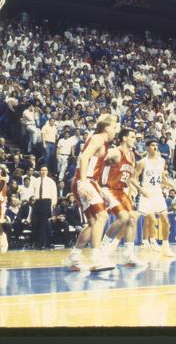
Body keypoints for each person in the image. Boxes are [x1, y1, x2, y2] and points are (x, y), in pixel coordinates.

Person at [65, 114, 117, 272]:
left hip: (89, 180)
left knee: (93, 222)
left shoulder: (102, 142)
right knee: (102, 217)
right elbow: (84, 157)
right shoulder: (99, 138)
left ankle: (74, 257)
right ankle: (96, 257)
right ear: (107, 128)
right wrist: (84, 181)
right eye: (114, 127)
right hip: (85, 180)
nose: (116, 130)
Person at [98, 127, 145, 266]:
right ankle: (103, 249)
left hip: (121, 190)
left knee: (132, 219)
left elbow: (128, 178)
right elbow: (98, 158)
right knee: (123, 217)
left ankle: (128, 255)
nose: (135, 139)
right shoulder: (115, 151)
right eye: (132, 136)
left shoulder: (132, 155)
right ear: (124, 138)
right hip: (108, 188)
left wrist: (136, 189)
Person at [133, 137, 176, 257]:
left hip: (158, 194)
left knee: (165, 220)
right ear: (147, 148)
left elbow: (163, 179)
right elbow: (133, 178)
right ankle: (146, 241)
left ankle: (165, 246)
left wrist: (175, 187)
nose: (155, 147)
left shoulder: (161, 161)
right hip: (146, 195)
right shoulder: (142, 162)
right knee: (149, 219)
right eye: (152, 145)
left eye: (156, 145)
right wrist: (140, 190)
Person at [31, 166, 58, 249]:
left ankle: (41, 243)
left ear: (47, 171)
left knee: (43, 223)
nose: (43, 171)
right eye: (42, 170)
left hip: (46, 202)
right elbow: (33, 191)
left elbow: (54, 193)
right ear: (40, 171)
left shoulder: (51, 181)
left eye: (45, 170)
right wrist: (32, 200)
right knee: (35, 222)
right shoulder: (36, 181)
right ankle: (36, 242)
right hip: (37, 202)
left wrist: (53, 203)